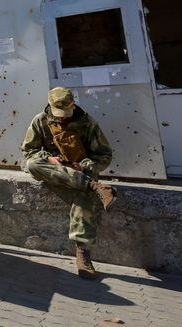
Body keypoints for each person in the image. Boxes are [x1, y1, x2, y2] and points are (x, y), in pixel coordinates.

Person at [21, 87, 117, 279]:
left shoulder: (87, 123)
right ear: (50, 105)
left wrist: (87, 165)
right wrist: (49, 159)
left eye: (67, 112)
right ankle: (92, 185)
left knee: (83, 197)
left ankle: (83, 253)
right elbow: (29, 152)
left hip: (80, 170)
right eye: (59, 113)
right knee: (32, 164)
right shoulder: (40, 121)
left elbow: (104, 155)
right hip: (56, 171)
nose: (63, 117)